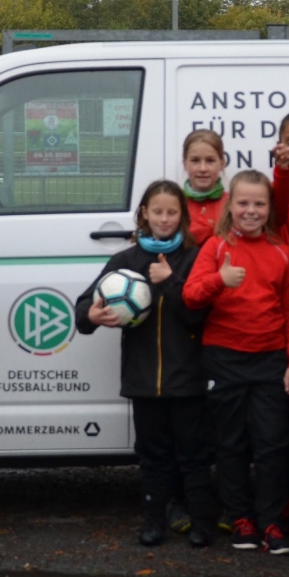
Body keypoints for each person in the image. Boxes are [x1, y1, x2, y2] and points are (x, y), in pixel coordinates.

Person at [76, 180, 218, 548]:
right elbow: (83, 308)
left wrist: (170, 282)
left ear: (182, 216)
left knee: (194, 456)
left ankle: (202, 523)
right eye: (158, 212)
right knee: (153, 457)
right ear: (144, 214)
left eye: (172, 212)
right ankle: (153, 521)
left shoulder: (195, 258)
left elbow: (198, 314)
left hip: (187, 380)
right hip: (143, 381)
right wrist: (91, 315)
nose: (164, 219)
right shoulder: (125, 261)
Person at [183, 168, 289, 554]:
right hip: (224, 359)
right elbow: (190, 296)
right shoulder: (216, 247)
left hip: (270, 360)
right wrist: (219, 280)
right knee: (231, 443)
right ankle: (241, 519)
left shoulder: (282, 252)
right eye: (243, 203)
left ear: (270, 208)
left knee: (273, 443)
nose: (251, 211)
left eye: (259, 204)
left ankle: (271, 521)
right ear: (230, 205)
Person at [181, 129, 229, 245]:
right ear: (185, 164)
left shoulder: (232, 204)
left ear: (222, 163)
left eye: (210, 161)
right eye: (195, 161)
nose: (203, 168)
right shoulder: (175, 204)